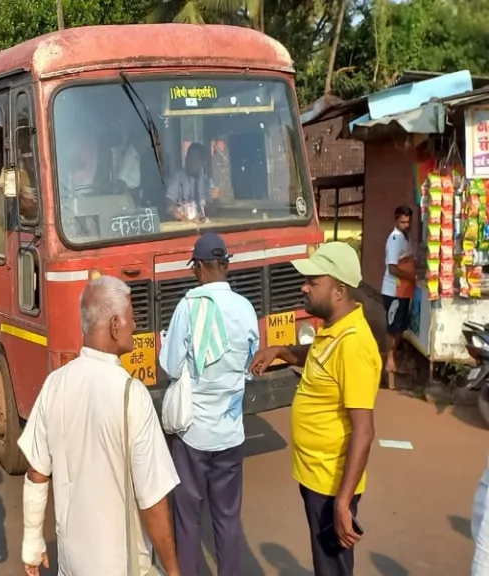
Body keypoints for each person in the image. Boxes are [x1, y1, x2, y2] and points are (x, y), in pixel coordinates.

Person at [19, 275, 181, 576]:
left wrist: (32, 541)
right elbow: (153, 500)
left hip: (72, 564)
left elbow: (37, 471)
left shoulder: (55, 384)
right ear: (115, 325)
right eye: (132, 318)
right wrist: (173, 570)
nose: (135, 325)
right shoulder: (131, 395)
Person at [251, 242, 380, 576]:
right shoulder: (334, 331)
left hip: (332, 484)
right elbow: (316, 358)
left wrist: (342, 501)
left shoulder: (354, 344)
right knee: (326, 564)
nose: (303, 286)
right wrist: (280, 350)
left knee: (332, 568)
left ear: (339, 290)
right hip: (316, 478)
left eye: (313, 281)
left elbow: (364, 431)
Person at [159, 232, 258, 576]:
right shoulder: (245, 308)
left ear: (199, 268)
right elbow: (249, 359)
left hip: (193, 435)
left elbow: (170, 367)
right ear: (226, 265)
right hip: (231, 434)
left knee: (187, 519)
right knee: (228, 519)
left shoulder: (189, 307)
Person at [382, 205, 415, 389]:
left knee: (400, 327)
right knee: (392, 327)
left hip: (403, 291)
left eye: (408, 221)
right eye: (403, 221)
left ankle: (394, 356)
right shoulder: (394, 239)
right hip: (393, 291)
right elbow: (392, 268)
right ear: (396, 220)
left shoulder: (404, 237)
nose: (406, 224)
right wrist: (413, 276)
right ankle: (390, 359)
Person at [166, 143, 220, 222]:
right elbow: (169, 208)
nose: (192, 161)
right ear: (186, 158)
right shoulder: (177, 178)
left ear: (203, 162)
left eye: (196, 158)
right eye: (190, 157)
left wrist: (215, 200)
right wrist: (188, 221)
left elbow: (210, 213)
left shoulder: (206, 181)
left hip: (203, 225)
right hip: (183, 227)